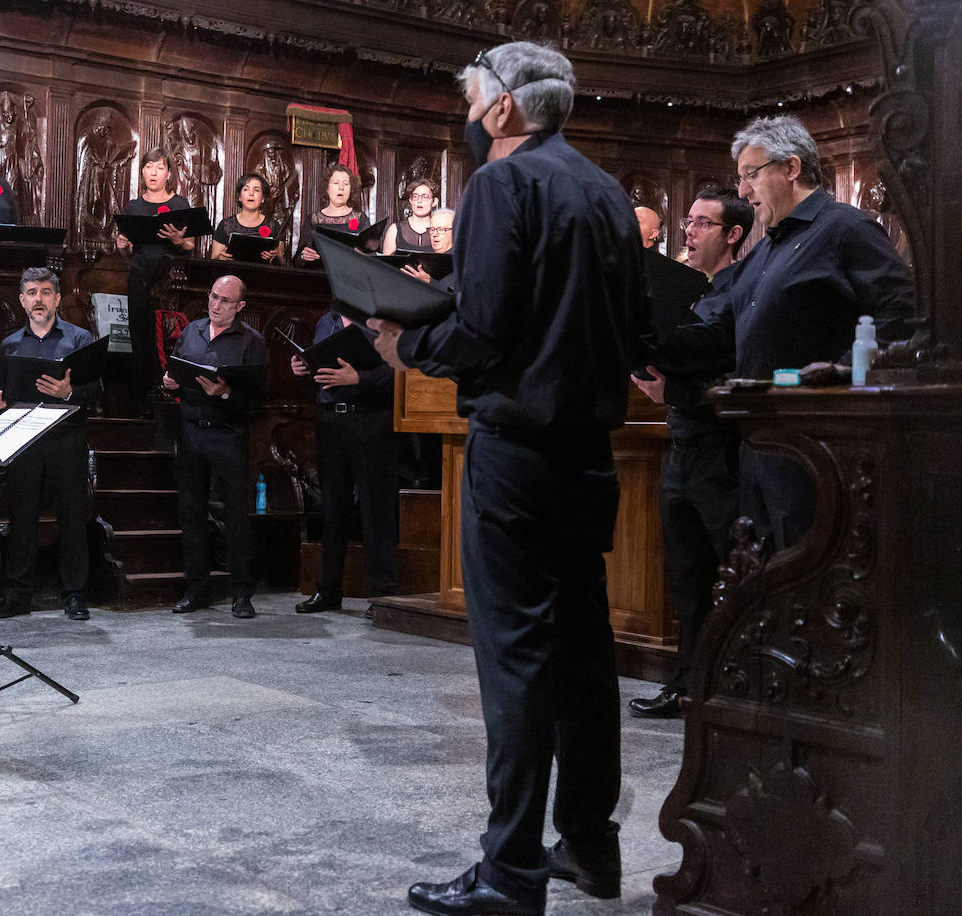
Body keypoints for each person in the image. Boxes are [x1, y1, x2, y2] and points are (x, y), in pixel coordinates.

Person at [369, 42, 644, 914]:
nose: (469, 114)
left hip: (518, 451)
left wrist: (407, 344)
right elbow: (633, 323)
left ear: (501, 112)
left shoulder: (499, 184)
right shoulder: (605, 191)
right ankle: (592, 851)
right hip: (589, 456)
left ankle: (510, 873)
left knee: (517, 661)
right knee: (583, 657)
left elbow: (483, 327)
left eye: (472, 100)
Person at [655, 115, 915, 551]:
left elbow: (901, 313)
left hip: (818, 447)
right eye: (740, 179)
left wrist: (842, 376)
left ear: (791, 168)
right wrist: (647, 340)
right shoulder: (763, 252)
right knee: (764, 585)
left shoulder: (845, 229)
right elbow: (722, 335)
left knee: (809, 580)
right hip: (758, 448)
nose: (742, 191)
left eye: (750, 175)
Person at [626, 189, 752, 719]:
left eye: (703, 223)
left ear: (733, 235)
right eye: (689, 222)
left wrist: (670, 391)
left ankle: (733, 686)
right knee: (686, 578)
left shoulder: (739, 295)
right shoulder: (695, 292)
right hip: (680, 449)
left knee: (731, 571)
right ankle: (685, 686)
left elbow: (740, 379)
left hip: (719, 453)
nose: (690, 232)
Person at [0, 268, 102, 620]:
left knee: (71, 515)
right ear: (22, 300)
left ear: (56, 298)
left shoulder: (80, 339)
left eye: (46, 292)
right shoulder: (10, 344)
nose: (39, 298)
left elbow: (96, 390)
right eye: (32, 292)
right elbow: (0, 392)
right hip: (24, 439)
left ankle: (74, 594)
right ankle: (19, 593)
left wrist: (69, 392)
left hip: (66, 438)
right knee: (22, 517)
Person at [162, 275, 267, 620]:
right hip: (191, 430)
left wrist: (223, 393)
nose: (216, 304)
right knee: (191, 512)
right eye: (213, 296)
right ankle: (196, 589)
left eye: (225, 300)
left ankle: (241, 593)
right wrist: (169, 383)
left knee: (236, 513)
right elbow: (175, 371)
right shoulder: (192, 331)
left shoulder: (252, 342)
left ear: (240, 307)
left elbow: (257, 401)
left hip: (228, 432)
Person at [291, 311, 398, 613]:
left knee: (375, 508)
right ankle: (328, 591)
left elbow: (400, 370)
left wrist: (359, 378)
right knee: (332, 508)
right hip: (330, 419)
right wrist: (302, 367)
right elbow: (320, 369)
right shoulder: (327, 321)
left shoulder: (383, 321)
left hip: (369, 420)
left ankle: (382, 596)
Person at [116, 147, 195, 408]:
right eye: (149, 167)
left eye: (160, 167)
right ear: (142, 172)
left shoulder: (179, 204)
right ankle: (141, 401)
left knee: (169, 339)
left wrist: (178, 240)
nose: (154, 172)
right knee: (141, 339)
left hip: (171, 282)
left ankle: (168, 396)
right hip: (139, 279)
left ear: (168, 173)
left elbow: (190, 247)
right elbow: (130, 256)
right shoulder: (134, 206)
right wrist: (123, 247)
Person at [294, 163, 368, 267]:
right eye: (336, 183)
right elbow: (297, 259)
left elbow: (372, 255)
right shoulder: (312, 220)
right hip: (318, 277)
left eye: (346, 184)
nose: (341, 187)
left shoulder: (361, 220)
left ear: (351, 190)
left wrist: (363, 255)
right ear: (327, 188)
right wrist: (303, 256)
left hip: (350, 278)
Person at [208, 173, 285, 264]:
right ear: (240, 197)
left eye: (256, 190)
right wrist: (221, 258)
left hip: (262, 275)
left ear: (263, 198)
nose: (251, 193)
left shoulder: (274, 226)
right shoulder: (225, 225)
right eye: (246, 189)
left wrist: (274, 257)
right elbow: (214, 259)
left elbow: (281, 262)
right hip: (232, 274)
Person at [399, 208, 456, 285]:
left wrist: (430, 282)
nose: (435, 234)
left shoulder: (463, 260)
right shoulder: (420, 257)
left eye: (441, 229)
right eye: (432, 229)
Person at [381, 178, 438, 254]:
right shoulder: (395, 230)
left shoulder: (441, 231)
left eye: (425, 197)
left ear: (434, 202)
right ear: (410, 200)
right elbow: (385, 264)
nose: (419, 201)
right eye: (415, 196)